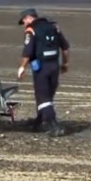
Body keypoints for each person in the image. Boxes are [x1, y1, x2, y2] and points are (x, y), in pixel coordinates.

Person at [16, 8, 70, 137]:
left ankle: (54, 125)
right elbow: (65, 48)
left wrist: (22, 67)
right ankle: (38, 121)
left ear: (28, 18)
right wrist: (65, 63)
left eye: (24, 21)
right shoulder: (53, 27)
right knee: (48, 95)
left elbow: (27, 51)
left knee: (43, 98)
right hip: (54, 66)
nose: (24, 24)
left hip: (41, 69)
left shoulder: (31, 30)